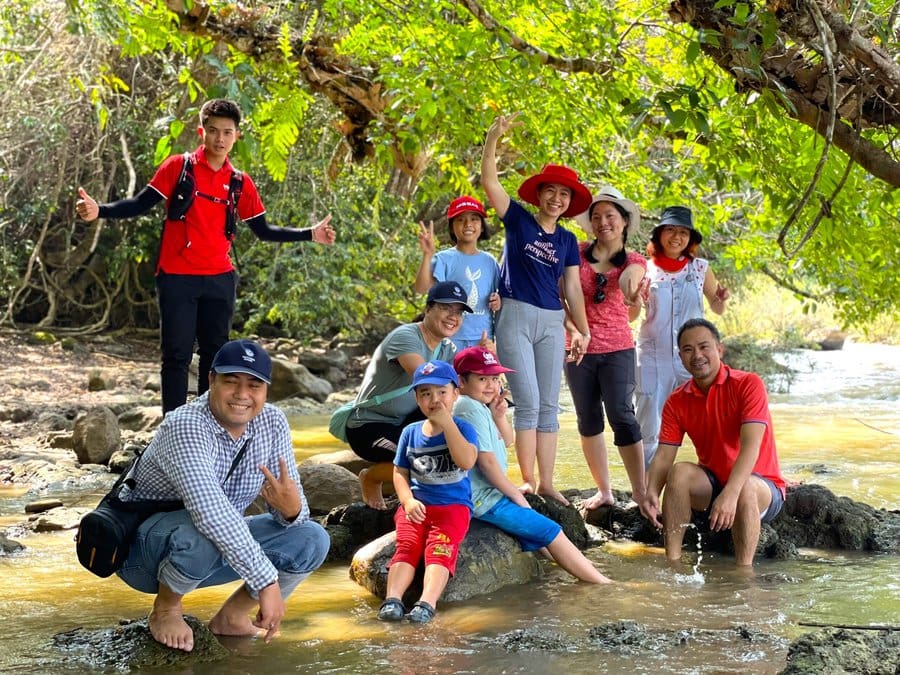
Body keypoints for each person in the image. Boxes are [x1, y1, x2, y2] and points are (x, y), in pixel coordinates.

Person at [76, 99, 337, 414]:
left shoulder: (241, 183)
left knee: (214, 357)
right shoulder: (178, 167)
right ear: (202, 131)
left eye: (227, 132)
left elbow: (264, 230)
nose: (220, 139)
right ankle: (173, 425)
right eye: (213, 131)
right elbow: (139, 204)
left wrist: (310, 233)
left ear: (236, 136)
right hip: (176, 277)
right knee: (176, 355)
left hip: (219, 280)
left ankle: (207, 423)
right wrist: (98, 210)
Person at [114, 338, 330, 652]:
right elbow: (211, 513)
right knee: (202, 529)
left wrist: (293, 510)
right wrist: (267, 582)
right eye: (232, 382)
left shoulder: (272, 422)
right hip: (142, 553)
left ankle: (232, 617)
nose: (243, 395)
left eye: (254, 385)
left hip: (205, 549)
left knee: (312, 538)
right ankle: (166, 608)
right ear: (211, 380)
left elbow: (292, 513)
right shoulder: (186, 426)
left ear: (267, 390)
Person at [481, 112, 593, 505]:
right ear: (540, 193)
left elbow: (573, 288)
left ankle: (547, 482)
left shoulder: (566, 240)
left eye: (564, 196)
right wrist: (493, 138)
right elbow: (490, 183)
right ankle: (526, 481)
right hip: (514, 314)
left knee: (550, 405)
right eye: (551, 192)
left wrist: (582, 328)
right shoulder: (520, 222)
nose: (557, 200)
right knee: (526, 401)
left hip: (550, 321)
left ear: (568, 203)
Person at [453, 346, 611, 583]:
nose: (491, 385)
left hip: (487, 494)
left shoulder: (478, 407)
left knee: (539, 529)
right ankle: (602, 584)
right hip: (483, 499)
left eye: (495, 379)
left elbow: (506, 440)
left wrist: (498, 416)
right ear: (461, 381)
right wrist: (518, 498)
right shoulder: (468, 407)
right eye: (482, 378)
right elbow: (486, 464)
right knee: (550, 530)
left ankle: (577, 564)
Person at [638, 319, 785, 567]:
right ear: (680, 357)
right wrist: (651, 492)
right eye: (688, 350)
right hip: (714, 482)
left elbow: (751, 447)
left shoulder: (749, 384)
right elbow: (664, 456)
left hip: (762, 486)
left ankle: (743, 574)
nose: (697, 355)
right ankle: (672, 563)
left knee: (746, 487)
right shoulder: (677, 400)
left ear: (719, 349)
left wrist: (731, 494)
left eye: (704, 347)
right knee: (680, 471)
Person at [346, 280, 472, 510]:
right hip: (368, 427)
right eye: (446, 308)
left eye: (459, 312)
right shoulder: (406, 337)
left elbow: (459, 388)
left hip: (403, 422)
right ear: (428, 309)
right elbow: (426, 380)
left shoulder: (447, 348)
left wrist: (486, 376)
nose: (453, 316)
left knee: (452, 428)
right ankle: (372, 477)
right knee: (422, 458)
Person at [564, 187, 647, 509]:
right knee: (588, 419)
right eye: (596, 217)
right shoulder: (576, 252)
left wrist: (632, 293)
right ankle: (605, 491)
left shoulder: (635, 261)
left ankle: (640, 492)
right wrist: (573, 332)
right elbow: (563, 298)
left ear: (624, 221)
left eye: (610, 216)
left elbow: (631, 286)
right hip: (577, 349)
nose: (603, 222)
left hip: (617, 349)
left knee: (622, 414)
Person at [377, 360, 478, 624]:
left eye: (442, 392)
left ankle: (427, 602)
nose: (435, 399)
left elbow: (466, 461)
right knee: (407, 547)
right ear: (417, 400)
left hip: (452, 507)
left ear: (456, 393)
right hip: (417, 506)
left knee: (440, 549)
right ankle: (393, 599)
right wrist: (407, 500)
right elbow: (400, 472)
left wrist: (448, 425)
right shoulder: (410, 433)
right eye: (425, 393)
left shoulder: (464, 429)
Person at [635, 206, 729, 466]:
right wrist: (634, 298)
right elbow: (632, 312)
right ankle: (646, 492)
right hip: (653, 355)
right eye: (671, 230)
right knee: (648, 425)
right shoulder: (644, 268)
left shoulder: (700, 268)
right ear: (659, 234)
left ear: (690, 238)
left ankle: (712, 478)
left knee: (710, 417)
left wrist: (721, 300)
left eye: (683, 232)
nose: (676, 237)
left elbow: (717, 307)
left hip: (694, 356)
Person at [414, 195, 501, 349]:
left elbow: (500, 298)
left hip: (482, 340)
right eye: (460, 219)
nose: (468, 224)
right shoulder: (443, 259)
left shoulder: (490, 261)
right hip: (448, 340)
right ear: (452, 227)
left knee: (479, 374)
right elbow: (421, 289)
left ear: (482, 226)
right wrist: (427, 255)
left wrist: (498, 301)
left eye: (474, 219)